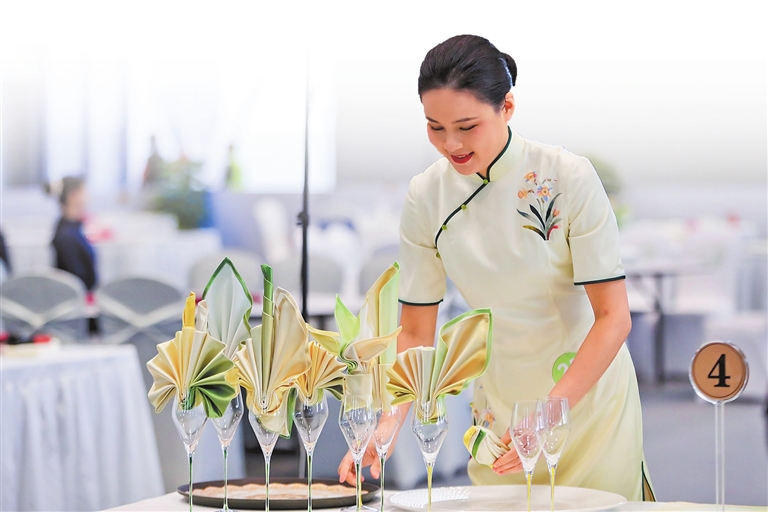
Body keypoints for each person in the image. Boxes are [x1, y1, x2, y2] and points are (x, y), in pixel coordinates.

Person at [338, 35, 654, 501]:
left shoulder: (568, 177)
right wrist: (387, 425)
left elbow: (613, 317)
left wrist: (548, 414)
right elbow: (416, 331)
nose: (451, 144)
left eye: (467, 126)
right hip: (500, 405)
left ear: (507, 106)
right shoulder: (426, 196)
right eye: (435, 127)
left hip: (587, 400)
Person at [49, 176, 98, 292]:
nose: (88, 198)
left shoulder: (72, 227)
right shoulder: (66, 236)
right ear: (72, 196)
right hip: (76, 297)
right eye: (84, 193)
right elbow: (78, 279)